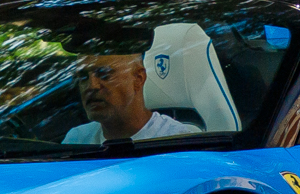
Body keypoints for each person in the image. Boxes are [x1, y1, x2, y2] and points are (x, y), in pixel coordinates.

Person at [62, 52, 199, 144]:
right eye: (83, 77)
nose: (92, 86)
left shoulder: (175, 142)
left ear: (138, 79)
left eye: (104, 74)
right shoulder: (76, 141)